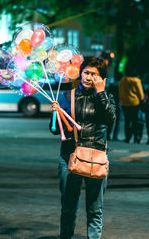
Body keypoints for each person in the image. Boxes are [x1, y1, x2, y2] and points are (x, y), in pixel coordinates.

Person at [50, 56, 116, 239]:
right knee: (68, 207)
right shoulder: (67, 96)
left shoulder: (107, 97)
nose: (88, 77)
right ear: (80, 73)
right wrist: (55, 116)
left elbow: (111, 120)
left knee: (95, 209)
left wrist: (101, 93)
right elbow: (55, 130)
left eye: (94, 74)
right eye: (86, 72)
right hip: (69, 156)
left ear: (102, 78)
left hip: (96, 157)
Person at [119, 61, 144, 143]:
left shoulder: (123, 80)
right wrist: (142, 99)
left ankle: (127, 137)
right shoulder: (136, 80)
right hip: (135, 103)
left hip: (125, 103)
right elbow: (140, 92)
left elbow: (120, 91)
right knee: (135, 121)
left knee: (127, 121)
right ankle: (136, 137)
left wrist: (121, 100)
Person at [107, 71, 123, 141]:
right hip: (120, 103)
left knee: (111, 120)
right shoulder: (122, 85)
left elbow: (108, 94)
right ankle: (115, 136)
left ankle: (108, 135)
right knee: (118, 120)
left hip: (112, 103)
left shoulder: (112, 85)